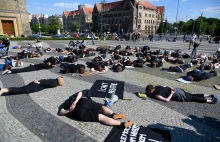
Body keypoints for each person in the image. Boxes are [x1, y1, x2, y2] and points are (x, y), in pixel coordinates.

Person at [59, 90, 133, 128]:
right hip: (83, 102)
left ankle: (122, 124)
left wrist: (69, 110)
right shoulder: (75, 96)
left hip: (78, 112)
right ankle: (113, 114)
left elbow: (61, 112)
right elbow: (80, 93)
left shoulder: (65, 103)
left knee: (101, 117)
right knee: (102, 108)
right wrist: (75, 102)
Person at [145, 85, 218, 104]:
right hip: (178, 90)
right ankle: (209, 95)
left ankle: (210, 101)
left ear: (151, 91)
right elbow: (166, 86)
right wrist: (172, 88)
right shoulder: (157, 86)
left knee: (193, 98)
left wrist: (172, 93)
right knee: (193, 95)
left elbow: (167, 100)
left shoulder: (156, 95)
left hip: (178, 95)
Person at [0, 76, 64, 96]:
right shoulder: (54, 84)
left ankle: (5, 89)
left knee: (21, 88)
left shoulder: (53, 80)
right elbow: (46, 84)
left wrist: (38, 81)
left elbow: (44, 81)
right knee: (20, 90)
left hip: (36, 84)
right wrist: (38, 82)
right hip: (37, 86)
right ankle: (3, 90)